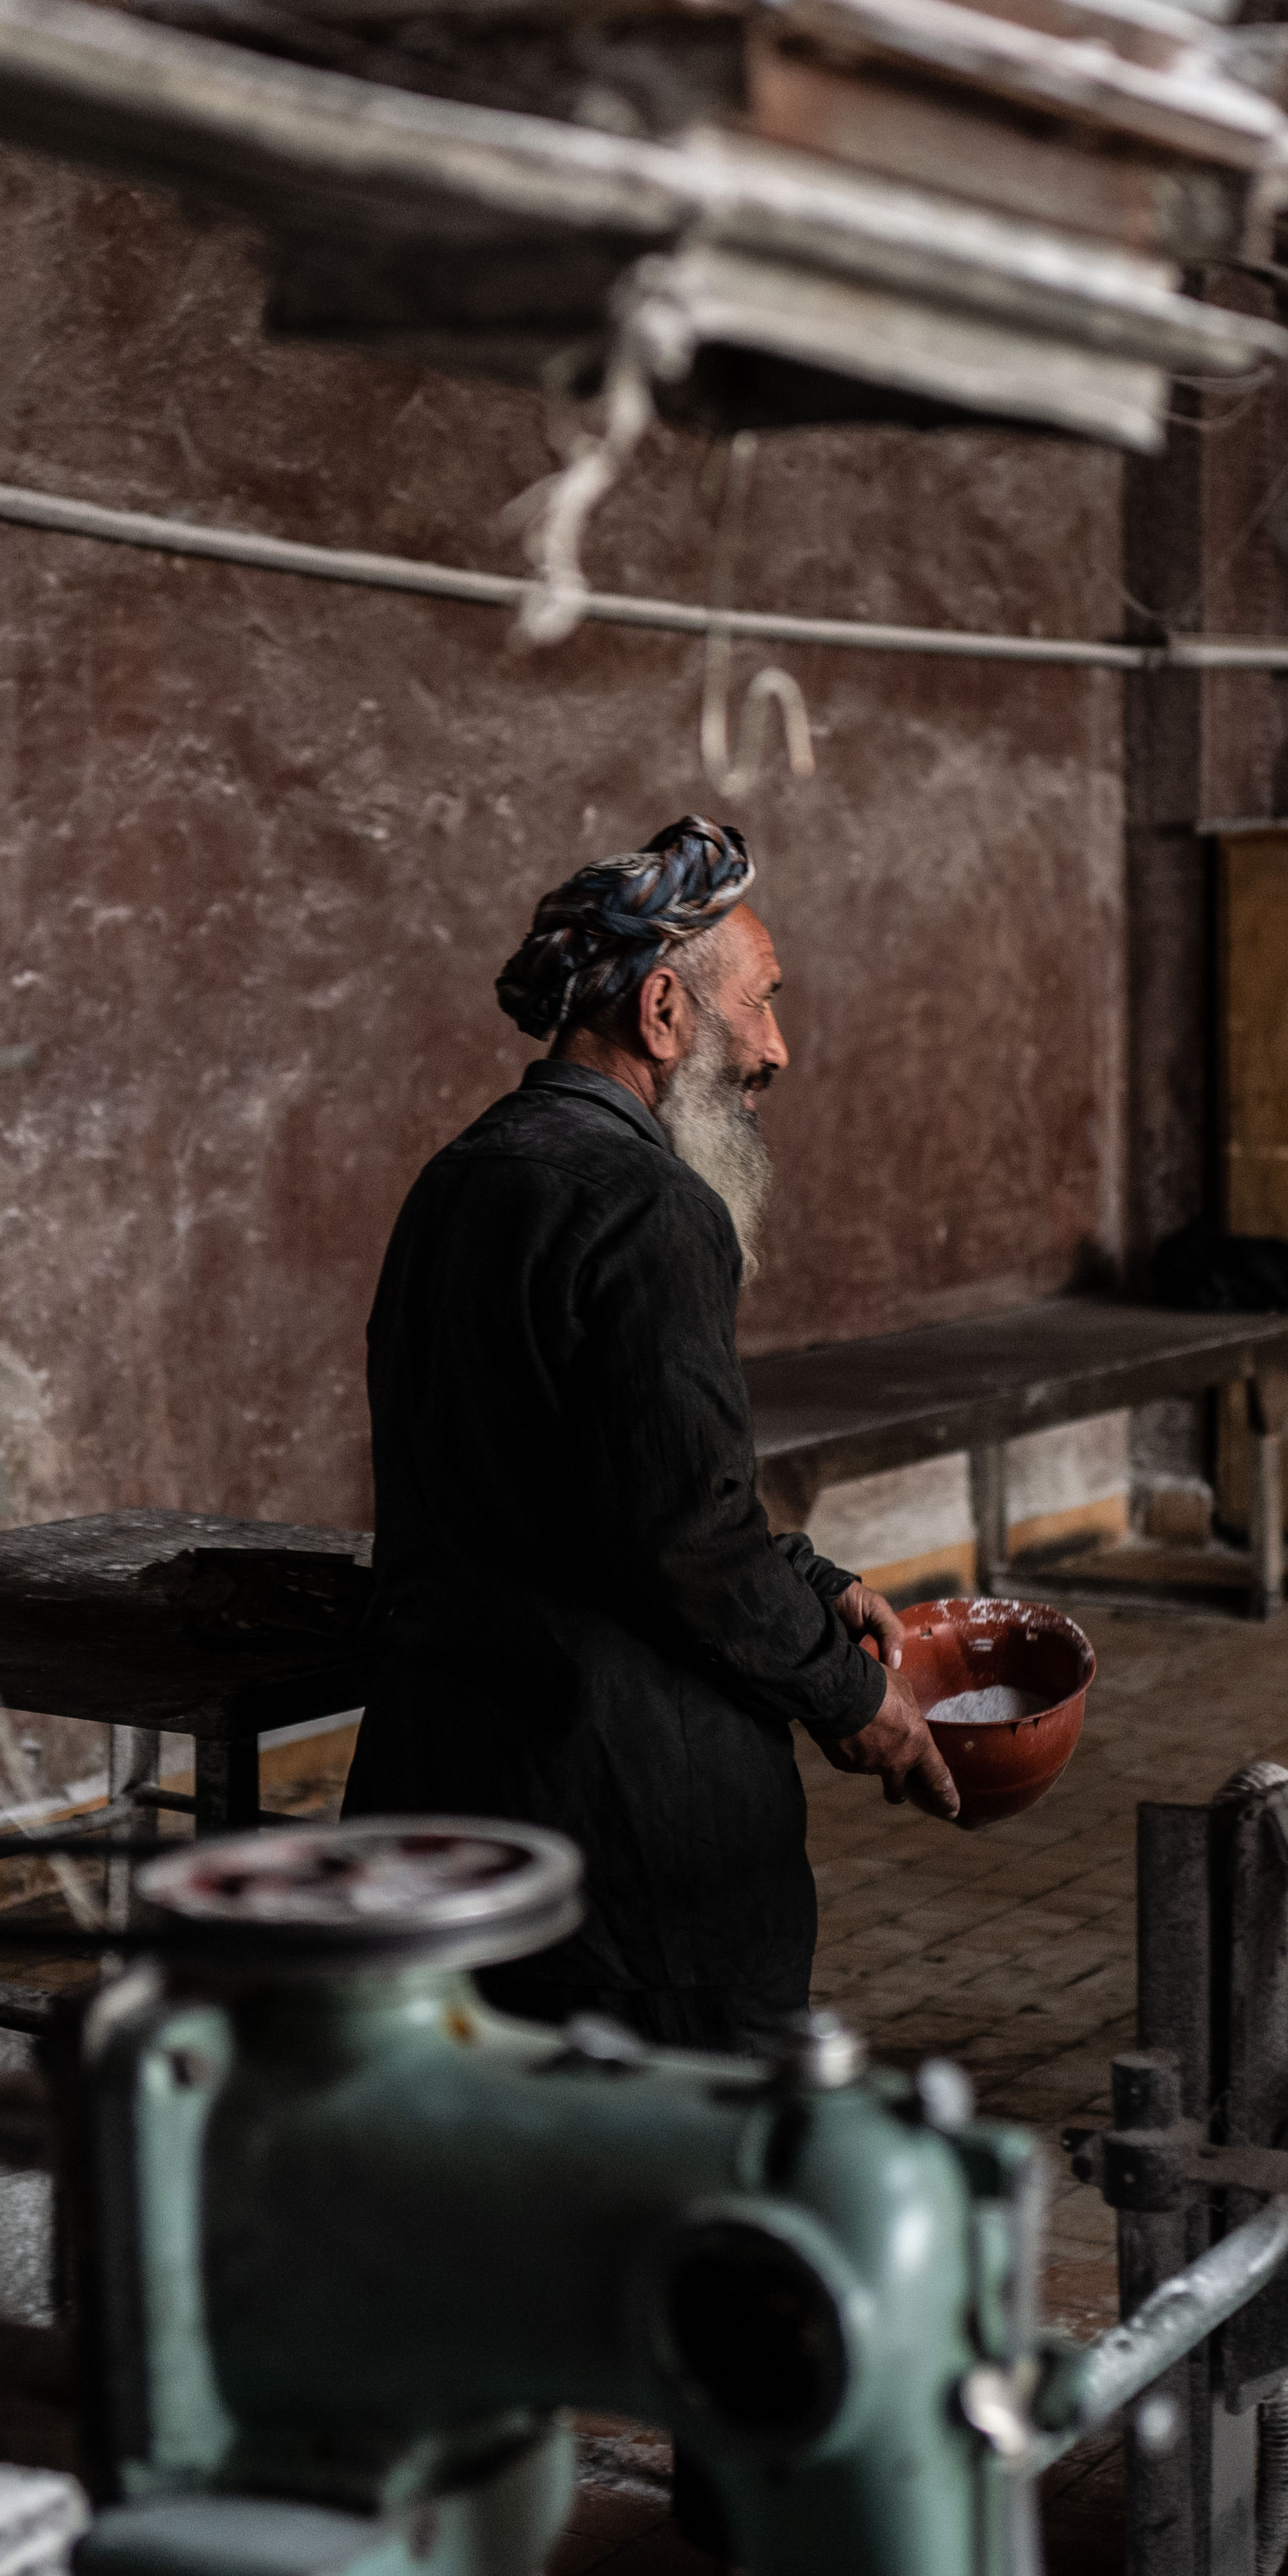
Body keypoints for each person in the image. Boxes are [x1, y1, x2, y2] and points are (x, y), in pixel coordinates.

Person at [345, 816, 963, 2050]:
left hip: (447, 1794)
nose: (777, 1049)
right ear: (665, 1011)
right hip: (621, 1840)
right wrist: (852, 1699)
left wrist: (807, 1579)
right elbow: (682, 1532)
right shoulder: (650, 1205)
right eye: (764, 1005)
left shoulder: (462, 1175)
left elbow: (574, 1482)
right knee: (663, 2180)